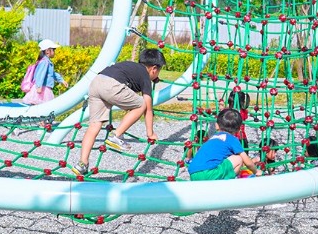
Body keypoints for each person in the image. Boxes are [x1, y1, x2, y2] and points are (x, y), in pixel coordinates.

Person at [71, 48, 166, 177]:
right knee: (141, 104)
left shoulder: (132, 66)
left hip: (96, 83)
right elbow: (148, 108)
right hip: (111, 85)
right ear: (154, 69)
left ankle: (82, 163)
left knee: (94, 125)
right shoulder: (145, 75)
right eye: (158, 71)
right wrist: (150, 133)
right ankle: (116, 135)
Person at [187, 107, 262, 181]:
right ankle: (225, 184)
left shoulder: (213, 138)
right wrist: (256, 171)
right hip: (208, 174)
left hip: (193, 173)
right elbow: (247, 161)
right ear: (239, 129)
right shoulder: (232, 139)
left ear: (216, 125)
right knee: (238, 159)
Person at [22, 39, 67, 104]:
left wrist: (62, 80)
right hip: (42, 89)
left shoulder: (47, 61)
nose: (54, 52)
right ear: (47, 51)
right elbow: (40, 75)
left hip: (44, 88)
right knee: (39, 105)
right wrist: (39, 87)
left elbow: (52, 74)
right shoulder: (45, 62)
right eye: (53, 50)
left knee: (40, 106)